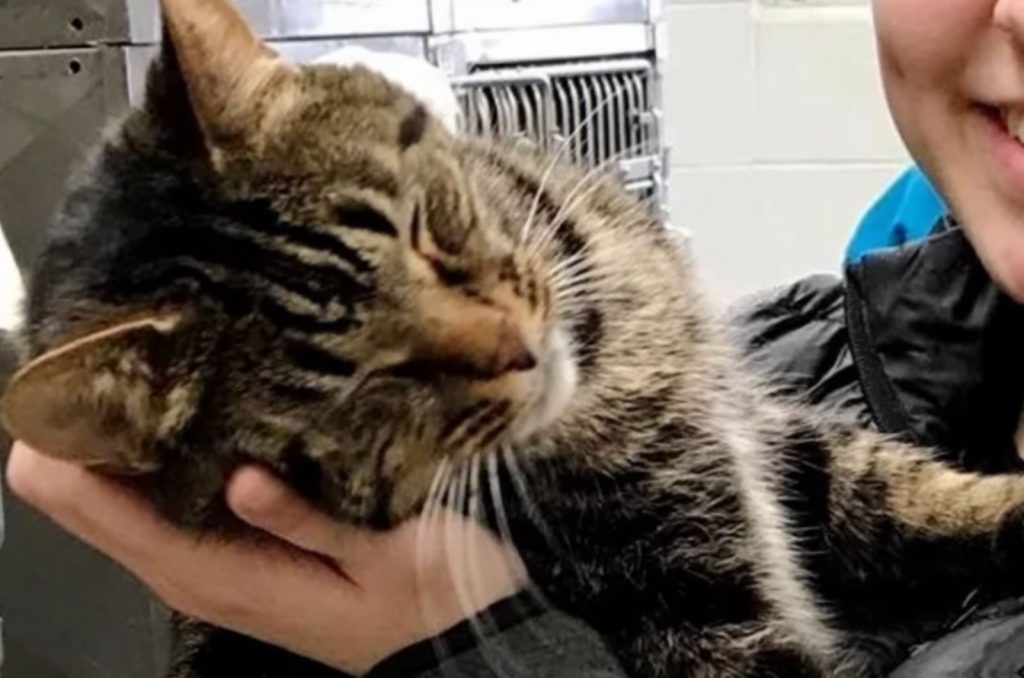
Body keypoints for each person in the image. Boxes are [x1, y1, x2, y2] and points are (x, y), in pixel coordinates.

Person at [9, 0, 1024, 675]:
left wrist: (474, 651)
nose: (510, 344)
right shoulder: (908, 303)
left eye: (432, 237)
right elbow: (782, 475)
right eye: (379, 379)